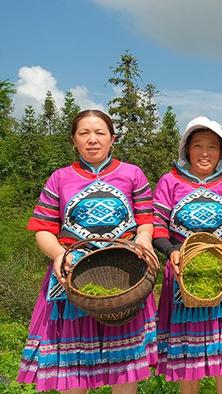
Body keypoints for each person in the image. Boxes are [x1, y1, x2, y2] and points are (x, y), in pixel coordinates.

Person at [17, 109, 157, 393]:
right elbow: (43, 228)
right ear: (74, 140)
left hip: (124, 275)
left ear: (112, 139)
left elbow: (146, 219)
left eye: (100, 133)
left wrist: (144, 238)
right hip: (73, 275)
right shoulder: (59, 178)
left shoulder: (132, 174)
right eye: (84, 133)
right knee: (73, 370)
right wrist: (59, 255)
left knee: (125, 371)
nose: (92, 140)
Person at [152, 116, 222, 393]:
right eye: (198, 146)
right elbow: (158, 224)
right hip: (183, 269)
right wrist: (171, 252)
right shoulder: (170, 181)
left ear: (221, 153)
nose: (204, 153)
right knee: (187, 347)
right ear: (187, 150)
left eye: (211, 147)